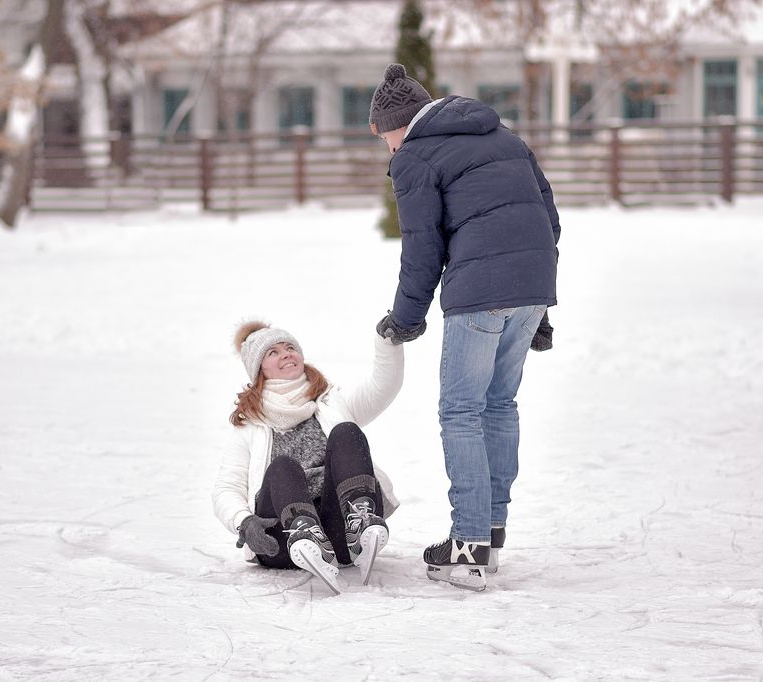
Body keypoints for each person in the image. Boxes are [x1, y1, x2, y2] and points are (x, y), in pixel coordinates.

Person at [369, 64, 560, 591]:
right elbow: (548, 219)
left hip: (480, 293)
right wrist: (541, 306)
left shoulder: (415, 155)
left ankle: (468, 543)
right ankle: (490, 534)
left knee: (461, 410)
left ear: (399, 123)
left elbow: (422, 249)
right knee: (499, 405)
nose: (384, 146)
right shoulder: (505, 137)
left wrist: (405, 319)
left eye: (382, 134)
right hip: (532, 284)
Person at [212, 320, 403, 594]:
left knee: (347, 431)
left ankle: (360, 520)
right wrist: (244, 521)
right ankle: (304, 531)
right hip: (282, 541)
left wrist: (389, 343)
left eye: (290, 347)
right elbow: (226, 488)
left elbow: (382, 387)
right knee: (283, 467)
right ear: (259, 369)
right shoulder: (250, 426)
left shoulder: (331, 403)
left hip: (338, 536)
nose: (286, 354)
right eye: (273, 352)